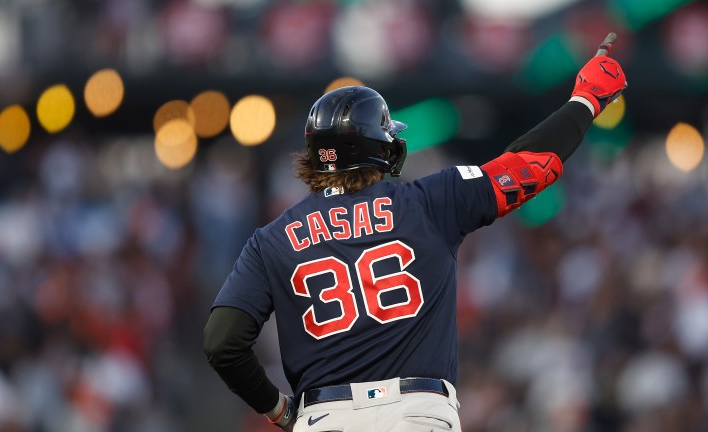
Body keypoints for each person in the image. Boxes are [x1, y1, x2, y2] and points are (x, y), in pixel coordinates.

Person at [203, 34, 627, 431]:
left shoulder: (271, 239)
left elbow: (222, 342)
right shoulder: (430, 201)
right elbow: (531, 165)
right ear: (378, 146)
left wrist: (278, 409)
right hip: (417, 413)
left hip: (326, 417)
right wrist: (585, 101)